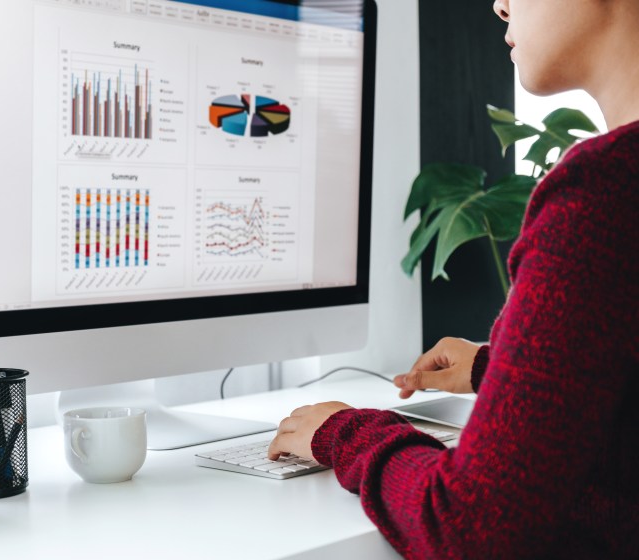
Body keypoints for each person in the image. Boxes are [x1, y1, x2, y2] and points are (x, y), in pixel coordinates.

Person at [267, 0, 639, 557]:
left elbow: (472, 529)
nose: (500, 4)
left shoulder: (603, 195)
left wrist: (348, 433)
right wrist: (505, 370)